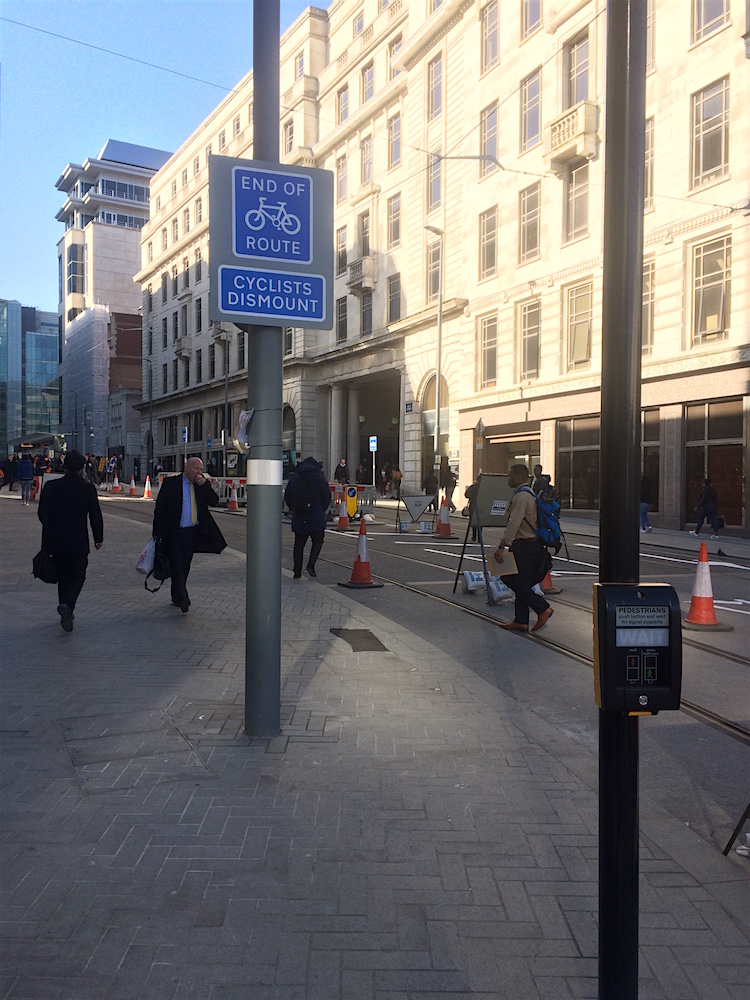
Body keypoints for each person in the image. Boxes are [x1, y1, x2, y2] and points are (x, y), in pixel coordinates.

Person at [37, 450, 103, 632]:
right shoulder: (87, 488)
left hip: (55, 541)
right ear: (82, 468)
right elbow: (95, 515)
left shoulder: (51, 487)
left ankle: (64, 606)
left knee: (63, 576)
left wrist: (52, 529)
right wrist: (98, 538)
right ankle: (68, 605)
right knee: (77, 576)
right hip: (78, 542)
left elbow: (42, 513)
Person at [152, 457, 226, 613]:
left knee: (184, 565)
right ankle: (183, 598)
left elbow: (214, 501)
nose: (199, 472)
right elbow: (160, 509)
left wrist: (205, 486)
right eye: (196, 469)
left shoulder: (201, 485)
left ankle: (176, 595)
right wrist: (157, 534)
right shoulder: (171, 484)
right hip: (175, 533)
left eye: (201, 469)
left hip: (193, 533)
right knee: (177, 564)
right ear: (187, 469)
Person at [493, 463, 553, 633]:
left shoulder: (521, 497)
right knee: (522, 581)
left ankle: (542, 608)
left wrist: (502, 545)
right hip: (530, 545)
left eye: (510, 476)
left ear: (519, 476)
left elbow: (514, 523)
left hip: (525, 546)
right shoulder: (529, 494)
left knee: (512, 579)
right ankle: (521, 620)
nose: (508, 479)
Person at [284, 456, 331, 578]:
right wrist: (321, 510)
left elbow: (287, 496)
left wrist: (294, 509)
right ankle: (311, 565)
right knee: (318, 541)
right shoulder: (320, 478)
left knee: (299, 544)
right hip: (316, 516)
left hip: (299, 516)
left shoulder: (295, 478)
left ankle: (297, 570)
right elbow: (327, 495)